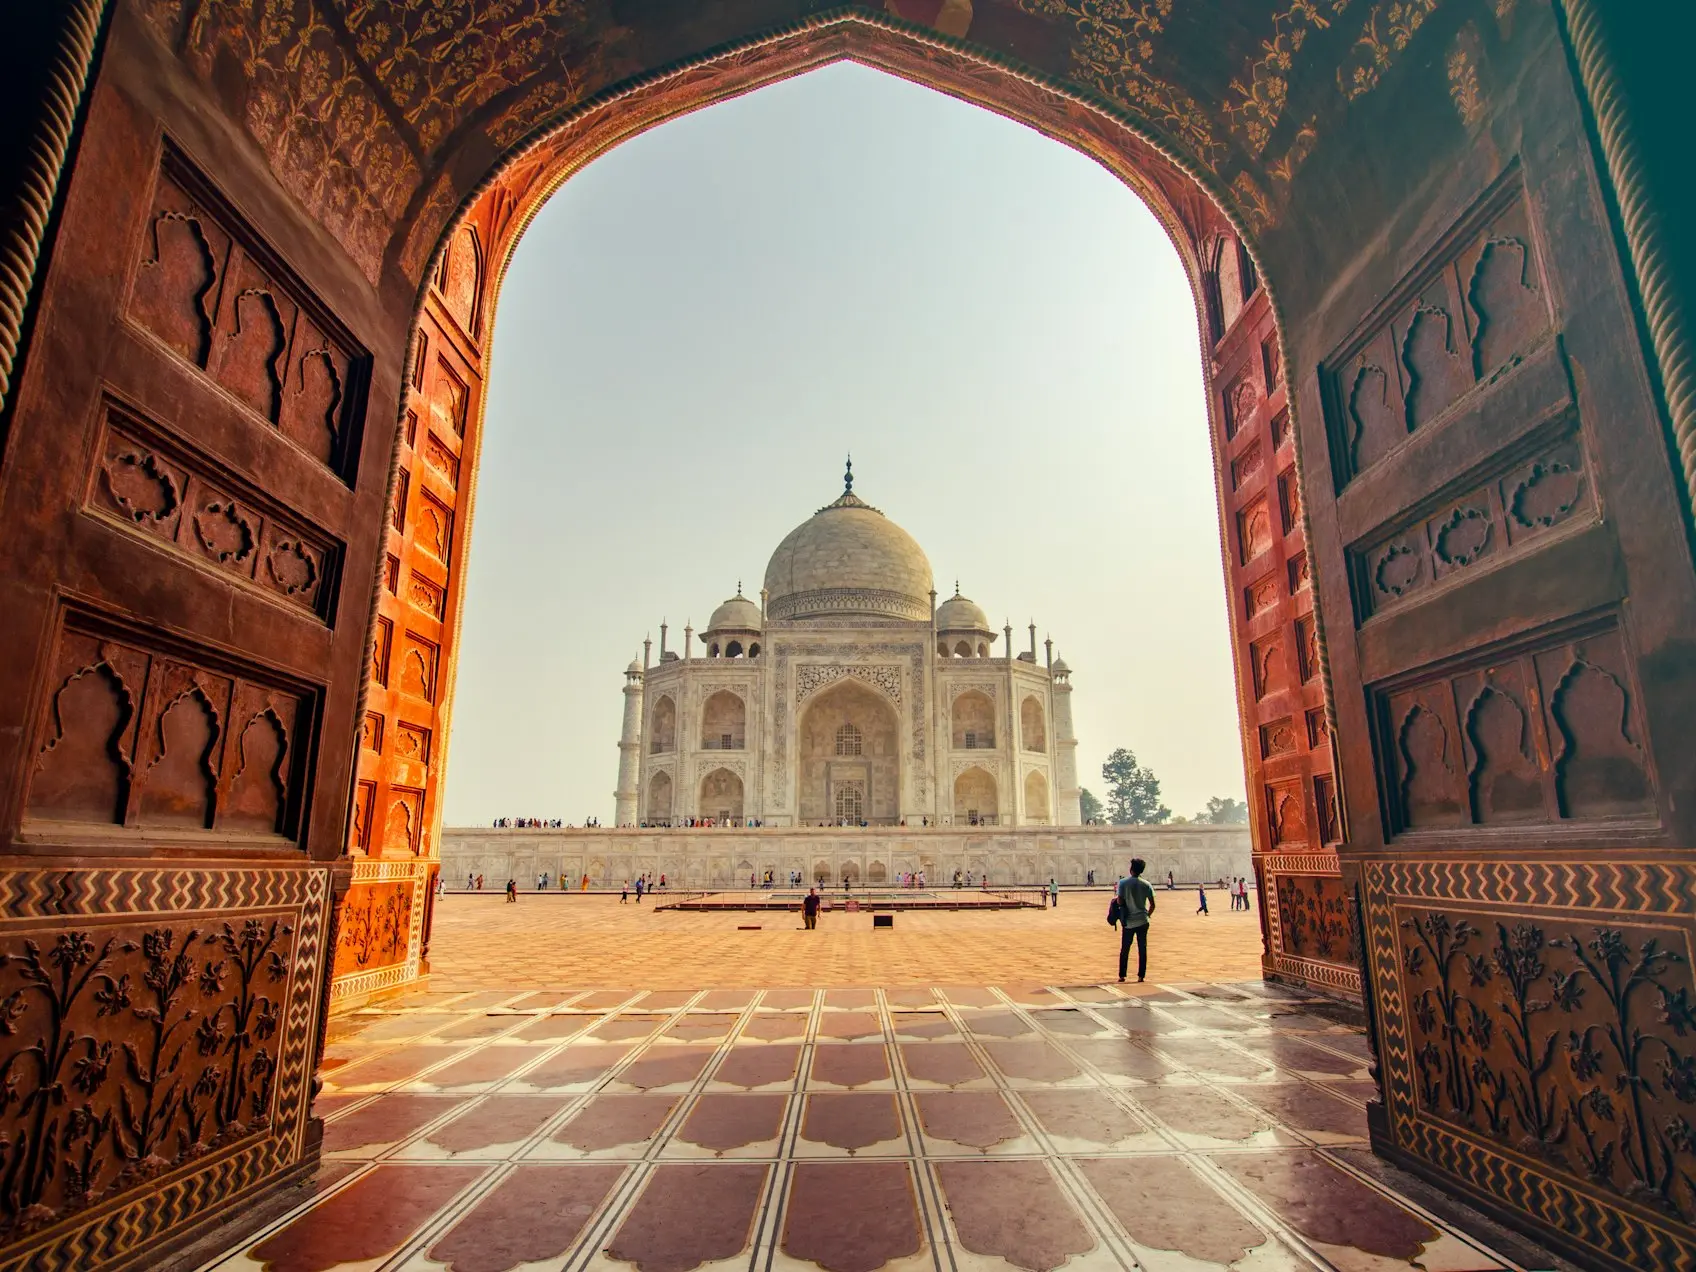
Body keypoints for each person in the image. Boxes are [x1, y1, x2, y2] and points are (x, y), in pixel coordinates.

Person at [1114, 858, 1155, 983]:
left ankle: (1122, 975)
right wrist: (1147, 915)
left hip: (1129, 921)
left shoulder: (1123, 883)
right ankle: (1141, 976)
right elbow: (1153, 905)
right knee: (1142, 948)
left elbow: (1120, 901)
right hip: (1143, 921)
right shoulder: (1146, 884)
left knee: (1125, 948)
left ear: (1131, 869)